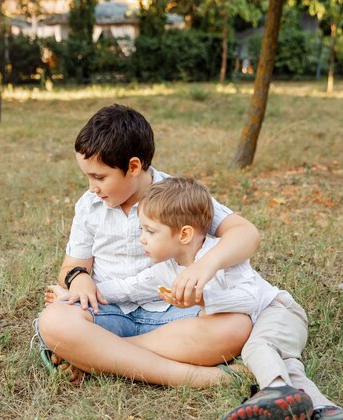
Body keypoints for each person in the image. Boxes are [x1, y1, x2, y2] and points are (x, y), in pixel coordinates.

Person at [48, 177, 342, 419]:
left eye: (149, 231)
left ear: (185, 234)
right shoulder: (165, 270)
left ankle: (275, 393)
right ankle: (321, 410)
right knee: (282, 361)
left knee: (261, 348)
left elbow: (249, 298)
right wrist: (74, 289)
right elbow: (127, 288)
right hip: (253, 323)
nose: (142, 239)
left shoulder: (218, 257)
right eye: (141, 230)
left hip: (275, 311)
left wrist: (205, 301)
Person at [36, 104, 259, 388]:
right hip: (109, 310)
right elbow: (73, 266)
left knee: (236, 326)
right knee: (54, 321)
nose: (92, 186)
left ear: (133, 166)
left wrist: (205, 265)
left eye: (100, 177)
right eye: (88, 177)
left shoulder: (176, 196)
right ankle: (200, 378)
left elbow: (246, 233)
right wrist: (77, 279)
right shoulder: (89, 205)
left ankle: (98, 356)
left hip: (176, 317)